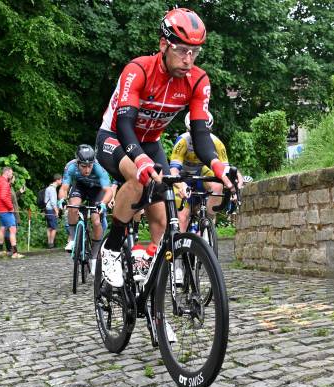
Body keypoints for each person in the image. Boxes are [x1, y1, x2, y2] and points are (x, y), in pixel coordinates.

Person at [96, 8, 234, 288]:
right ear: (163, 45)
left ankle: (152, 297)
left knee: (162, 222)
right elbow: (124, 124)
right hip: (115, 137)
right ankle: (110, 249)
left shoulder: (197, 80)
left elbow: (200, 133)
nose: (188, 59)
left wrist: (219, 167)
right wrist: (141, 161)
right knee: (138, 175)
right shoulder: (138, 70)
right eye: (182, 50)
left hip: (150, 143)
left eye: (195, 52)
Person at [170, 111, 243, 232]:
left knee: (218, 184)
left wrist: (235, 178)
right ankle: (181, 246)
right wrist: (179, 184)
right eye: (192, 132)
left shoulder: (216, 143)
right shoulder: (183, 141)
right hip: (183, 176)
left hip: (201, 172)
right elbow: (173, 170)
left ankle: (206, 223)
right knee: (182, 218)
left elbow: (225, 168)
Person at [58, 145, 112, 274]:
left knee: (96, 220)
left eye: (90, 166)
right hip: (80, 187)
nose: (87, 170)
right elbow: (64, 188)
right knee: (72, 206)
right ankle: (72, 239)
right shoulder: (70, 166)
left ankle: (94, 257)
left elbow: (108, 191)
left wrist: (103, 203)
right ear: (77, 163)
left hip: (97, 190)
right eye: (83, 166)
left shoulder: (99, 168)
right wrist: (61, 199)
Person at [0, 167, 24, 259]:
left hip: (1, 210)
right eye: (11, 173)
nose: (12, 175)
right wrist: (10, 207)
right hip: (6, 210)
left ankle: (0, 250)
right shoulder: (4, 183)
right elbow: (3, 197)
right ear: (6, 173)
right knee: (12, 230)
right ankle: (15, 253)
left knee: (3, 228)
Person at [44, 174, 62, 249]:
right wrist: (56, 211)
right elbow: (53, 202)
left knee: (49, 227)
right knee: (54, 227)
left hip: (47, 209)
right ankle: (51, 244)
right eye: (61, 180)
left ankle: (49, 243)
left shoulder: (49, 188)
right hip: (51, 210)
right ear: (57, 180)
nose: (61, 181)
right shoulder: (52, 189)